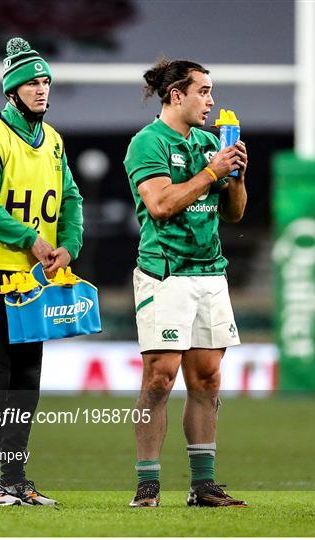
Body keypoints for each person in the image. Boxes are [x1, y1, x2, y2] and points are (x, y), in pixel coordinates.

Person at [0, 37, 83, 506]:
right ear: (11, 91)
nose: (41, 89)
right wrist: (32, 240)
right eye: (32, 82)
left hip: (33, 280)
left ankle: (13, 479)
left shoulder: (52, 141)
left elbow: (71, 198)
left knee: (26, 379)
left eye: (46, 81)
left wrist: (68, 245)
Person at [124, 58, 248, 508]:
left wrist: (235, 175)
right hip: (166, 272)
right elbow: (160, 204)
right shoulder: (148, 144)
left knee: (208, 379)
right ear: (177, 94)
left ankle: (203, 485)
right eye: (204, 92)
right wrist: (213, 171)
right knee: (160, 378)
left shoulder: (208, 144)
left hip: (210, 272)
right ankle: (148, 484)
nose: (211, 102)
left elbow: (233, 214)